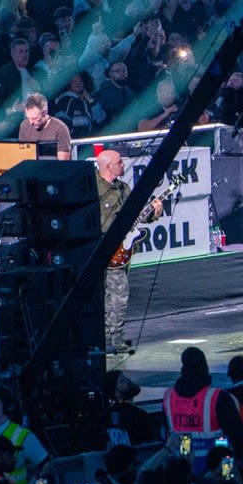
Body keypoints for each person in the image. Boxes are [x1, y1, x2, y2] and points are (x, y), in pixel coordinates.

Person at [96, 149, 161, 353]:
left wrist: (154, 213)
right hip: (101, 250)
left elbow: (136, 215)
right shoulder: (94, 189)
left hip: (121, 251)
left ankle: (114, 337)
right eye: (119, 162)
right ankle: (109, 339)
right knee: (115, 296)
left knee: (118, 295)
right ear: (108, 167)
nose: (123, 165)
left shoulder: (123, 188)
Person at [17, 92, 71, 160]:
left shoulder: (61, 129)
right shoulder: (24, 126)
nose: (31, 122)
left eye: (35, 118)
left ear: (44, 112)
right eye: (28, 118)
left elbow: (63, 163)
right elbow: (22, 156)